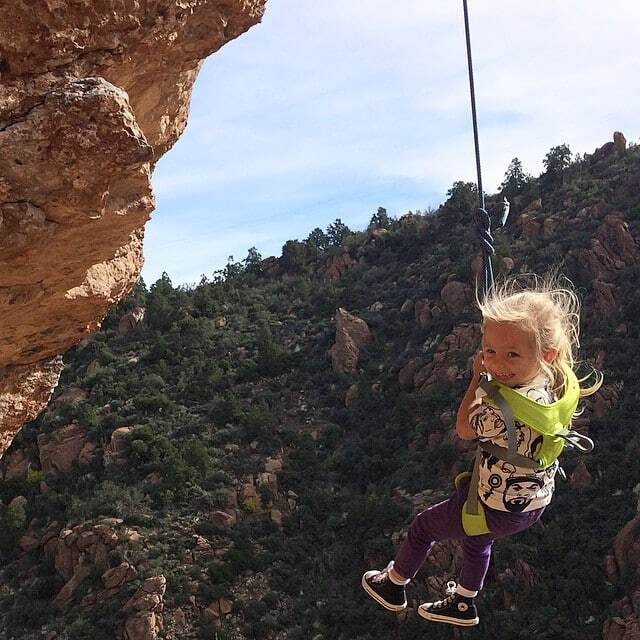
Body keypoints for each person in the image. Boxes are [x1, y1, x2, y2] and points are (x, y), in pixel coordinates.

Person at [361, 275, 602, 627]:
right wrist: (503, 367)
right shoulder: (554, 382)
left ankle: (394, 584)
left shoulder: (499, 410)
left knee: (424, 526)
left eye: (512, 354)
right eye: (490, 352)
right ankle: (463, 602)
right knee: (476, 541)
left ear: (545, 354)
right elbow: (522, 369)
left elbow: (462, 429)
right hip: (531, 503)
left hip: (496, 504)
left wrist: (478, 379)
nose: (498, 363)